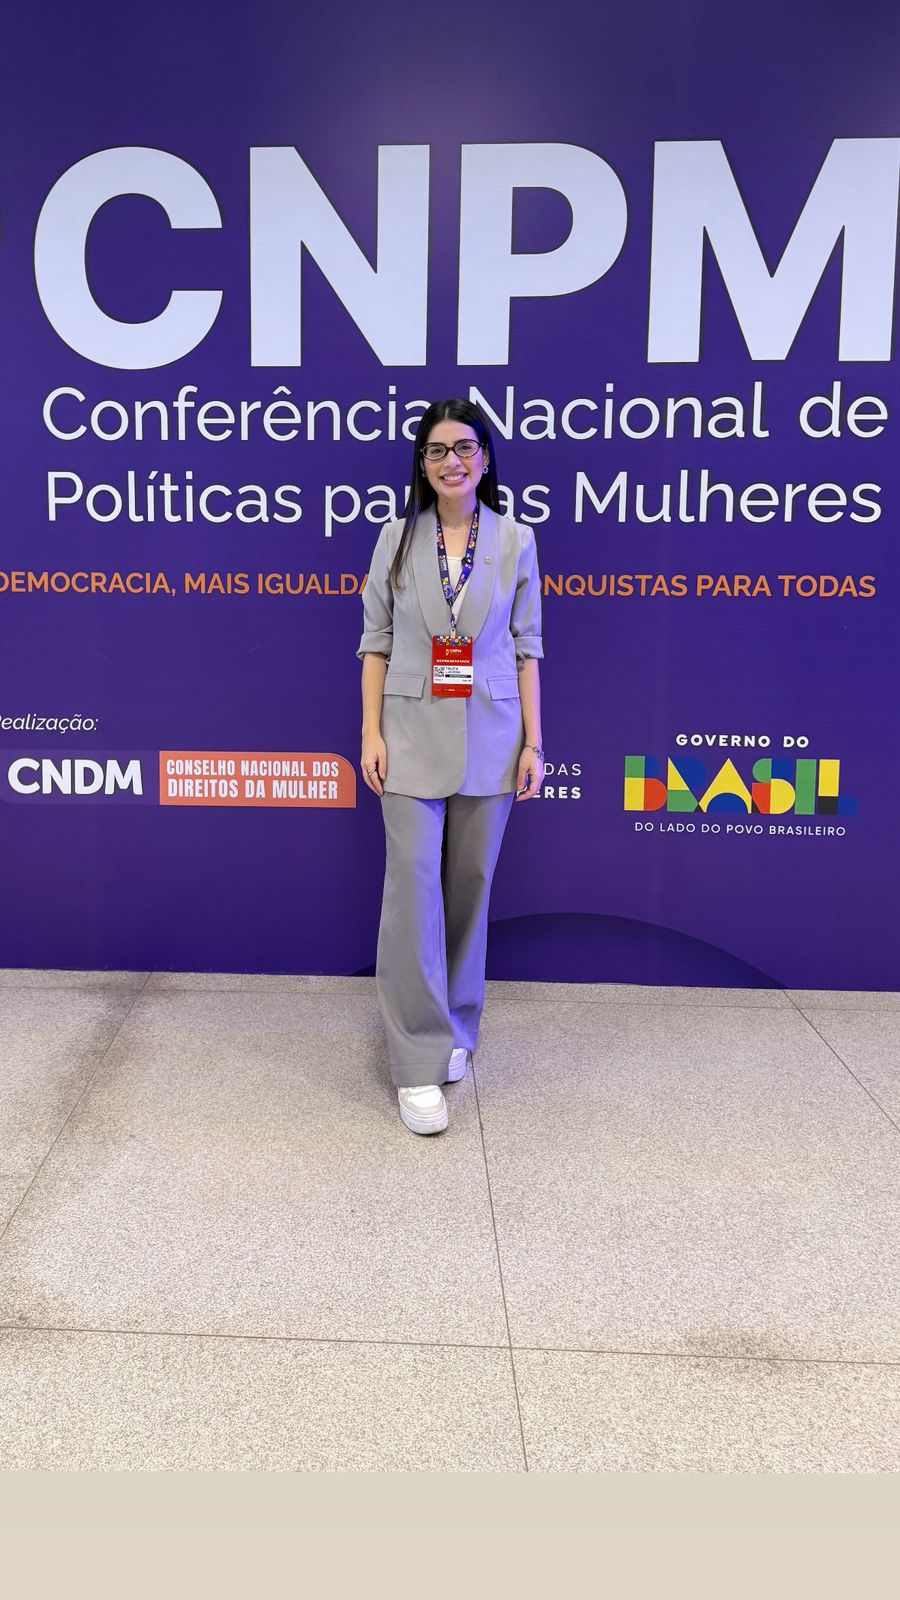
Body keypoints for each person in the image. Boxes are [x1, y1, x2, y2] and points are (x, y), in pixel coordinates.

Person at [357, 397, 544, 1135]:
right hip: (406, 734)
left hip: (492, 736)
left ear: (485, 458)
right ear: (422, 464)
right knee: (411, 891)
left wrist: (533, 743)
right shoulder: (397, 537)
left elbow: (527, 648)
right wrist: (369, 733)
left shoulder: (516, 540)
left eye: (464, 447)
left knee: (470, 887)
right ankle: (416, 1059)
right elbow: (375, 641)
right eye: (436, 450)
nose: (451, 461)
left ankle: (458, 1023)